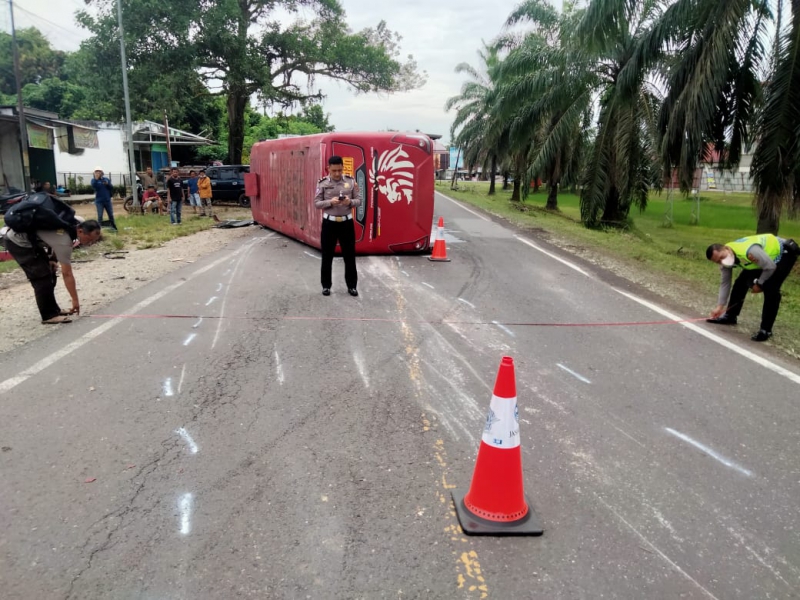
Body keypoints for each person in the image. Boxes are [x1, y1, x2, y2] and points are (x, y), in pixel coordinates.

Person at [3, 216, 102, 324]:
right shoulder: (65, 241)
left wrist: (52, 259)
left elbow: (53, 238)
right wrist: (75, 301)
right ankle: (48, 315)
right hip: (18, 242)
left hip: (32, 240)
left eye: (94, 240)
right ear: (80, 231)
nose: (90, 243)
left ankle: (54, 310)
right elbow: (67, 274)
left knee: (50, 272)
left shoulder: (77, 222)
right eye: (89, 239)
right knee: (41, 277)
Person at [706, 234, 799, 341]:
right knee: (740, 283)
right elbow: (725, 283)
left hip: (784, 252)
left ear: (726, 249)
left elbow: (770, 267)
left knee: (771, 288)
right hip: (763, 259)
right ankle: (730, 316)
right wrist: (720, 306)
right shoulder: (727, 260)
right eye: (718, 261)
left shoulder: (749, 251)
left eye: (722, 257)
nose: (722, 261)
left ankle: (766, 330)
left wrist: (759, 284)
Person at [314, 155, 361, 296]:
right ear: (329, 168)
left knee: (349, 256)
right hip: (329, 224)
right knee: (327, 256)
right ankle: (326, 286)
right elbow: (316, 203)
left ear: (342, 168)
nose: (337, 173)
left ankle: (352, 286)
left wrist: (349, 202)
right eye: (334, 170)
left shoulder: (351, 182)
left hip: (346, 223)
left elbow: (359, 200)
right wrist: (330, 202)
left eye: (339, 170)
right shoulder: (322, 183)